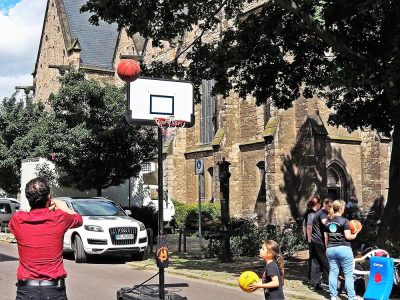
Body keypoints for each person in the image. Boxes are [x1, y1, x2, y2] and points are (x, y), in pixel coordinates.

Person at [9, 177, 83, 300]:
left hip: (26, 290)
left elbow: (31, 216)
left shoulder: (17, 219)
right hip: (54, 290)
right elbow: (79, 220)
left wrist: (44, 209)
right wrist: (62, 206)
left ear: (28, 199)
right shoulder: (60, 217)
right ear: (49, 197)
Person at [325, 200, 359, 300]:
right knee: (348, 274)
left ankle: (333, 296)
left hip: (330, 249)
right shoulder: (345, 221)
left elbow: (326, 237)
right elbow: (348, 237)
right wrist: (356, 233)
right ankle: (351, 297)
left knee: (333, 273)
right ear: (341, 208)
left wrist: (327, 248)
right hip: (344, 249)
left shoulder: (327, 221)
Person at [309, 198, 333, 290]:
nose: (331, 209)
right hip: (320, 241)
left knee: (316, 261)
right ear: (325, 204)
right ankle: (332, 284)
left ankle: (315, 283)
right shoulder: (322, 214)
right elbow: (326, 223)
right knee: (326, 262)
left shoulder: (318, 213)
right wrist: (335, 226)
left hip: (315, 240)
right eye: (329, 206)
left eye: (332, 207)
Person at [303, 196, 321, 281]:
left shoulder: (308, 213)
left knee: (312, 258)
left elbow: (304, 226)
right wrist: (310, 240)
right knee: (314, 258)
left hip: (311, 239)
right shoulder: (311, 214)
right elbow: (308, 227)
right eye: (319, 203)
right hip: (313, 239)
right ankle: (313, 278)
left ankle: (311, 276)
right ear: (317, 204)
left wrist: (306, 237)